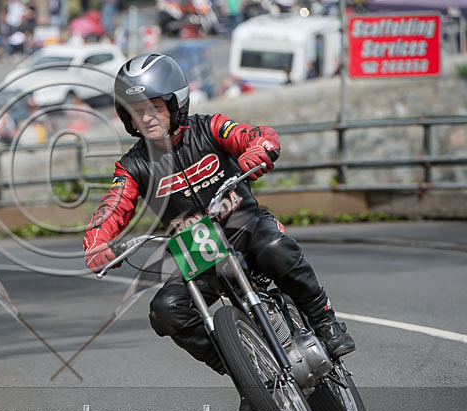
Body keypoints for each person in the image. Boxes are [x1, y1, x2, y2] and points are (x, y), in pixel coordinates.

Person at [84, 53, 356, 381]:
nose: (148, 118)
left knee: (275, 248)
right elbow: (112, 207)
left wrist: (260, 148)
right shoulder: (132, 166)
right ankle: (243, 373)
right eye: (137, 112)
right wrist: (97, 243)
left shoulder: (210, 128)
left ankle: (325, 322)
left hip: (247, 228)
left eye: (155, 107)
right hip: (195, 255)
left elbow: (252, 135)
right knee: (166, 310)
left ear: (176, 104)